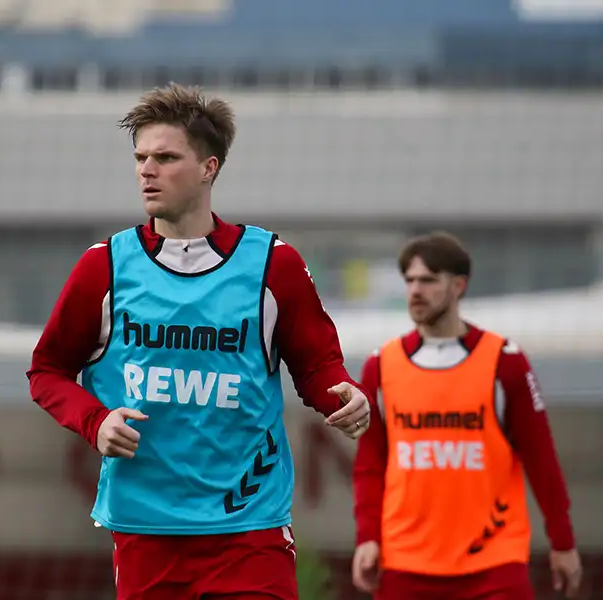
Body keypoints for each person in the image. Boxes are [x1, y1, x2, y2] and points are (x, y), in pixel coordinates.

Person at [26, 83, 372, 600]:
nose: (147, 169)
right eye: (141, 157)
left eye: (166, 157)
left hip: (250, 527)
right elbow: (46, 371)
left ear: (209, 168)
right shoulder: (105, 266)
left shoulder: (273, 265)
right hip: (146, 528)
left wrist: (345, 394)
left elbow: (318, 365)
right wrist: (96, 422)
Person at [350, 232, 583, 600]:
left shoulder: (504, 362)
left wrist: (563, 542)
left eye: (428, 280)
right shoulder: (380, 366)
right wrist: (367, 537)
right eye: (410, 280)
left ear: (459, 285)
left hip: (493, 565)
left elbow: (542, 460)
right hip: (405, 564)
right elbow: (370, 463)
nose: (415, 290)